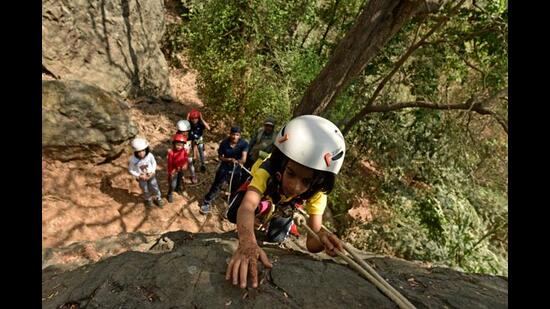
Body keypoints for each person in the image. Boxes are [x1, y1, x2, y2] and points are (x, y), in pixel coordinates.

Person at [225, 115, 345, 289]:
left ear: (318, 181)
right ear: (281, 164)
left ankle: (270, 213)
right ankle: (264, 211)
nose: (295, 186)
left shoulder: (317, 193)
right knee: (233, 212)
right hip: (266, 192)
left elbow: (312, 243)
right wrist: (247, 242)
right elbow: (247, 207)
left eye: (306, 181)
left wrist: (324, 240)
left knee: (276, 237)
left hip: (286, 206)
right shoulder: (267, 170)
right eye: (291, 173)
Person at [199, 125, 249, 215]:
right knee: (217, 184)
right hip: (225, 167)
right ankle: (206, 202)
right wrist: (229, 159)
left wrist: (239, 162)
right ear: (230, 134)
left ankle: (231, 208)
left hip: (236, 169)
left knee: (234, 188)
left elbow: (244, 159)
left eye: (237, 135)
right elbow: (220, 157)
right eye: (233, 134)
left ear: (240, 136)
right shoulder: (224, 143)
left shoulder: (244, 144)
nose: (234, 137)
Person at [128, 137, 164, 208]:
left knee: (154, 186)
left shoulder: (149, 155)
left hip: (151, 175)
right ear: (135, 152)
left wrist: (152, 171)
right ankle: (148, 199)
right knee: (144, 189)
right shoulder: (133, 159)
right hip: (142, 177)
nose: (142, 153)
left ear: (146, 149)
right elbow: (130, 169)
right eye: (139, 152)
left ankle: (158, 198)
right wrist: (138, 175)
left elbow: (154, 163)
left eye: (143, 151)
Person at [166, 133, 189, 203]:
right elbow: (169, 163)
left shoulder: (184, 151)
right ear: (174, 144)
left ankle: (177, 188)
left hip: (181, 169)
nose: (179, 147)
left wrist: (185, 164)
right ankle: (170, 193)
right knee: (172, 184)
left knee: (179, 179)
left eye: (181, 145)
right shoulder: (171, 153)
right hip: (174, 170)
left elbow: (185, 158)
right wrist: (170, 172)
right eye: (177, 145)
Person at [187, 109, 211, 173]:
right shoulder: (189, 123)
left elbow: (208, 128)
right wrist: (187, 118)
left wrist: (202, 119)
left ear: (198, 118)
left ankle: (203, 164)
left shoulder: (200, 123)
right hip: (190, 139)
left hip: (198, 138)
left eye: (196, 118)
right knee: (186, 149)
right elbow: (185, 126)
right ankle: (188, 162)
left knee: (200, 148)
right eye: (192, 118)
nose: (194, 120)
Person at [176, 119, 197, 184]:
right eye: (181, 132)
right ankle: (182, 177)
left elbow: (194, 144)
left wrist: (195, 154)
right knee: (181, 167)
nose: (183, 133)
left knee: (190, 164)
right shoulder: (177, 136)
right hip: (180, 155)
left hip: (189, 153)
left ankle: (193, 176)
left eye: (185, 132)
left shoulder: (191, 135)